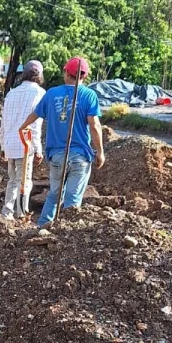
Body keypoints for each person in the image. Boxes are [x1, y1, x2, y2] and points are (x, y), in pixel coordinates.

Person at [18, 56, 104, 227]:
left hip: (57, 155)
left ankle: (42, 227)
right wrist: (100, 151)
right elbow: (94, 125)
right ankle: (68, 233)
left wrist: (23, 127)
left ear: (66, 72)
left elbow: (35, 114)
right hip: (80, 156)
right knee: (73, 199)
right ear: (83, 77)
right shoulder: (89, 95)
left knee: (54, 193)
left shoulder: (52, 94)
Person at [0, 59, 45, 220]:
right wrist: (38, 148)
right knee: (24, 181)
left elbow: (4, 123)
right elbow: (35, 124)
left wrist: (3, 146)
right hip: (25, 144)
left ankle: (7, 211)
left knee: (13, 180)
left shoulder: (12, 93)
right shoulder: (39, 93)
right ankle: (21, 213)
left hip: (11, 144)